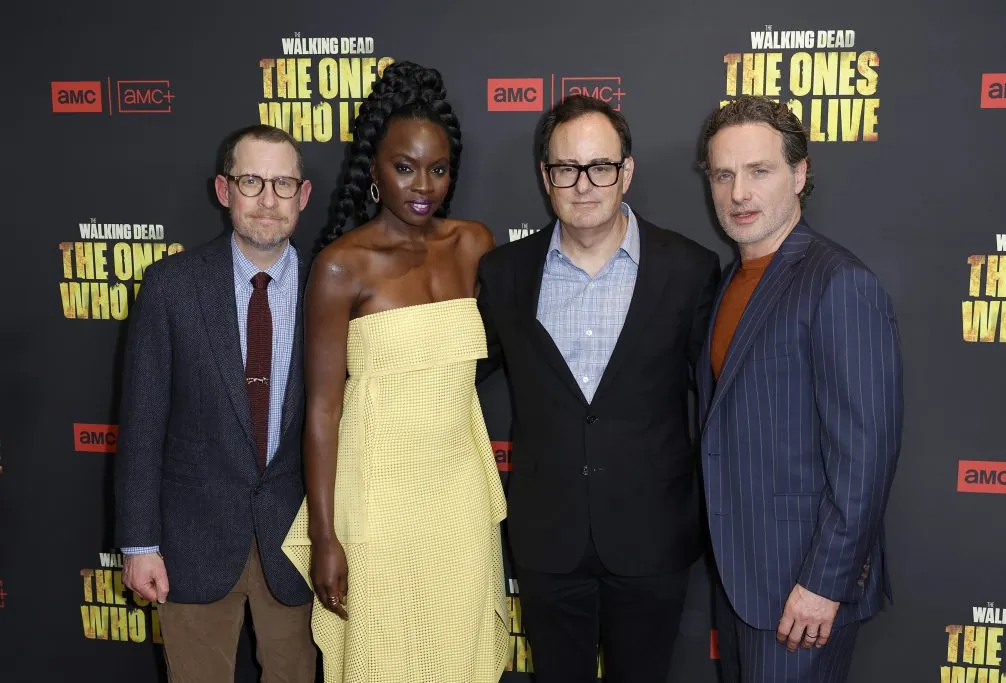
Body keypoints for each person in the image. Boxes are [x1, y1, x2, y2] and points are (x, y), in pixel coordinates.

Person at [475, 95, 721, 683]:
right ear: (546, 177)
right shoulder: (503, 273)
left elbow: (719, 401)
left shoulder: (689, 269)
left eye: (600, 167)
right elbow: (458, 375)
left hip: (652, 538)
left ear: (626, 172)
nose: (584, 185)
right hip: (546, 541)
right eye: (566, 169)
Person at [280, 61, 509, 683]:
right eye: (404, 166)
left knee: (460, 657)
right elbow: (323, 411)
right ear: (373, 170)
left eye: (437, 169)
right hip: (375, 500)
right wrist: (326, 536)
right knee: (382, 660)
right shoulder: (340, 267)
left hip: (458, 494)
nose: (422, 185)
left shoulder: (475, 245)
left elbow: (483, 361)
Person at [696, 95, 903, 682]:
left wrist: (823, 584)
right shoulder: (728, 282)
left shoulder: (840, 284)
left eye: (759, 171)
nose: (738, 193)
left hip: (803, 594)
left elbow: (865, 458)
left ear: (800, 174)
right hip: (741, 583)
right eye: (724, 174)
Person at [114, 124, 316, 682]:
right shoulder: (170, 286)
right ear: (224, 191)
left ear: (304, 196)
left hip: (298, 545)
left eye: (282, 184)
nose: (268, 200)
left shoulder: (334, 285)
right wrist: (139, 544)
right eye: (252, 181)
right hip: (190, 545)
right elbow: (142, 425)